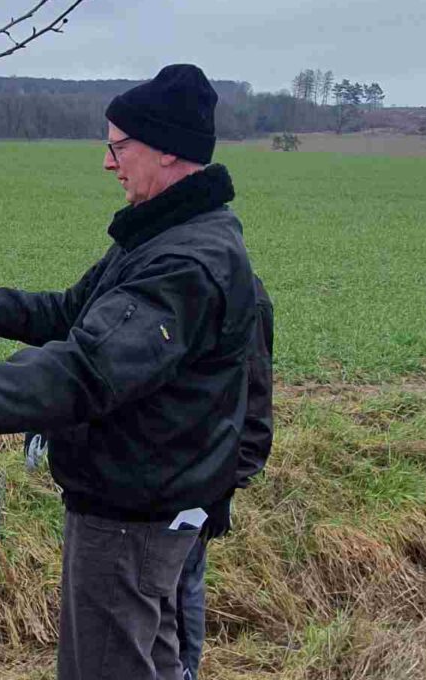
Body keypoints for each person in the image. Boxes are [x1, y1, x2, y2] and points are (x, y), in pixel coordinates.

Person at [0, 64, 257, 680]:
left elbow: (88, 367)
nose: (107, 163)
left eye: (118, 147)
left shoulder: (184, 262)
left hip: (133, 518)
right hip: (159, 502)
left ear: (168, 152)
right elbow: (77, 315)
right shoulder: (163, 235)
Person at [175, 275, 274, 680]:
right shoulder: (164, 275)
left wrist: (223, 485)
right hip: (157, 469)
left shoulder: (239, 293)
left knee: (181, 586)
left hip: (199, 475)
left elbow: (254, 397)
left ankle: (184, 673)